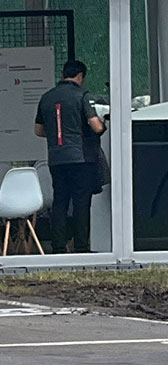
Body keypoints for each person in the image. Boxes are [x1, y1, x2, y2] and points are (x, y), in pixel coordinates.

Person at [34, 60, 106, 253]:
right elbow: (96, 126)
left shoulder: (46, 98)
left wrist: (57, 134)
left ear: (63, 74)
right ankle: (81, 247)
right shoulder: (83, 96)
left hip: (56, 158)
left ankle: (58, 247)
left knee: (60, 201)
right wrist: (104, 124)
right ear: (81, 76)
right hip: (81, 158)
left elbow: (38, 130)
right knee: (81, 202)